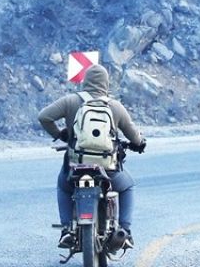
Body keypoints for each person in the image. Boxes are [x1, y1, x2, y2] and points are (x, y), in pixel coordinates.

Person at [38, 63, 146, 249]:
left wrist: (60, 134)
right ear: (106, 83)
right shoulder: (115, 106)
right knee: (127, 186)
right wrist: (139, 143)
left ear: (85, 81)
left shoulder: (70, 101)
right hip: (107, 169)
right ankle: (125, 230)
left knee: (63, 186)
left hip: (76, 166)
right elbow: (134, 136)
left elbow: (44, 117)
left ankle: (66, 230)